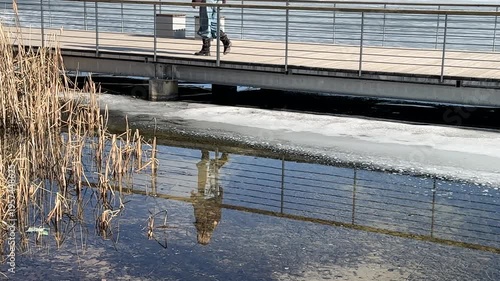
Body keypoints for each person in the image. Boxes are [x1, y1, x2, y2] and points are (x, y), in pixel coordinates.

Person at [191, 150, 229, 245]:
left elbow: (217, 211)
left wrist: (220, 196)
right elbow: (200, 211)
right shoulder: (203, 225)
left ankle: (220, 155)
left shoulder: (212, 225)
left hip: (212, 198)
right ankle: (209, 153)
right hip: (208, 197)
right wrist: (195, 199)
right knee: (208, 171)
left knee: (210, 172)